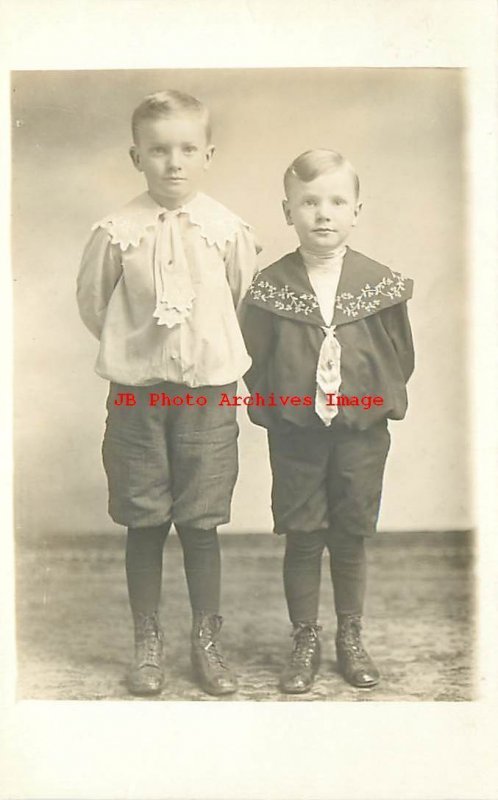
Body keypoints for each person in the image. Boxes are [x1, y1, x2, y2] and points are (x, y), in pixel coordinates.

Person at [77, 90, 259, 697]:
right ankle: (146, 642)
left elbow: (239, 302)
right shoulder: (115, 232)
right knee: (145, 520)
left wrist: (202, 353)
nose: (173, 163)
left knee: (201, 522)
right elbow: (94, 305)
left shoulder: (227, 230)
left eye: (187, 149)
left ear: (208, 154)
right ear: (136, 157)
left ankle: (206, 643)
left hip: (208, 395)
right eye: (159, 151)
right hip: (137, 399)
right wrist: (138, 352)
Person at [241, 149, 414, 694]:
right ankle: (305, 637)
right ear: (288, 210)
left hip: (361, 431)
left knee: (350, 532)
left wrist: (363, 401)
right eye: (309, 202)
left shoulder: (379, 284)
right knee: (303, 533)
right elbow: (255, 358)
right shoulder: (270, 287)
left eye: (337, 201)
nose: (323, 214)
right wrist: (286, 407)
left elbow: (399, 355)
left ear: (356, 210)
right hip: (296, 431)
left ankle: (351, 635)